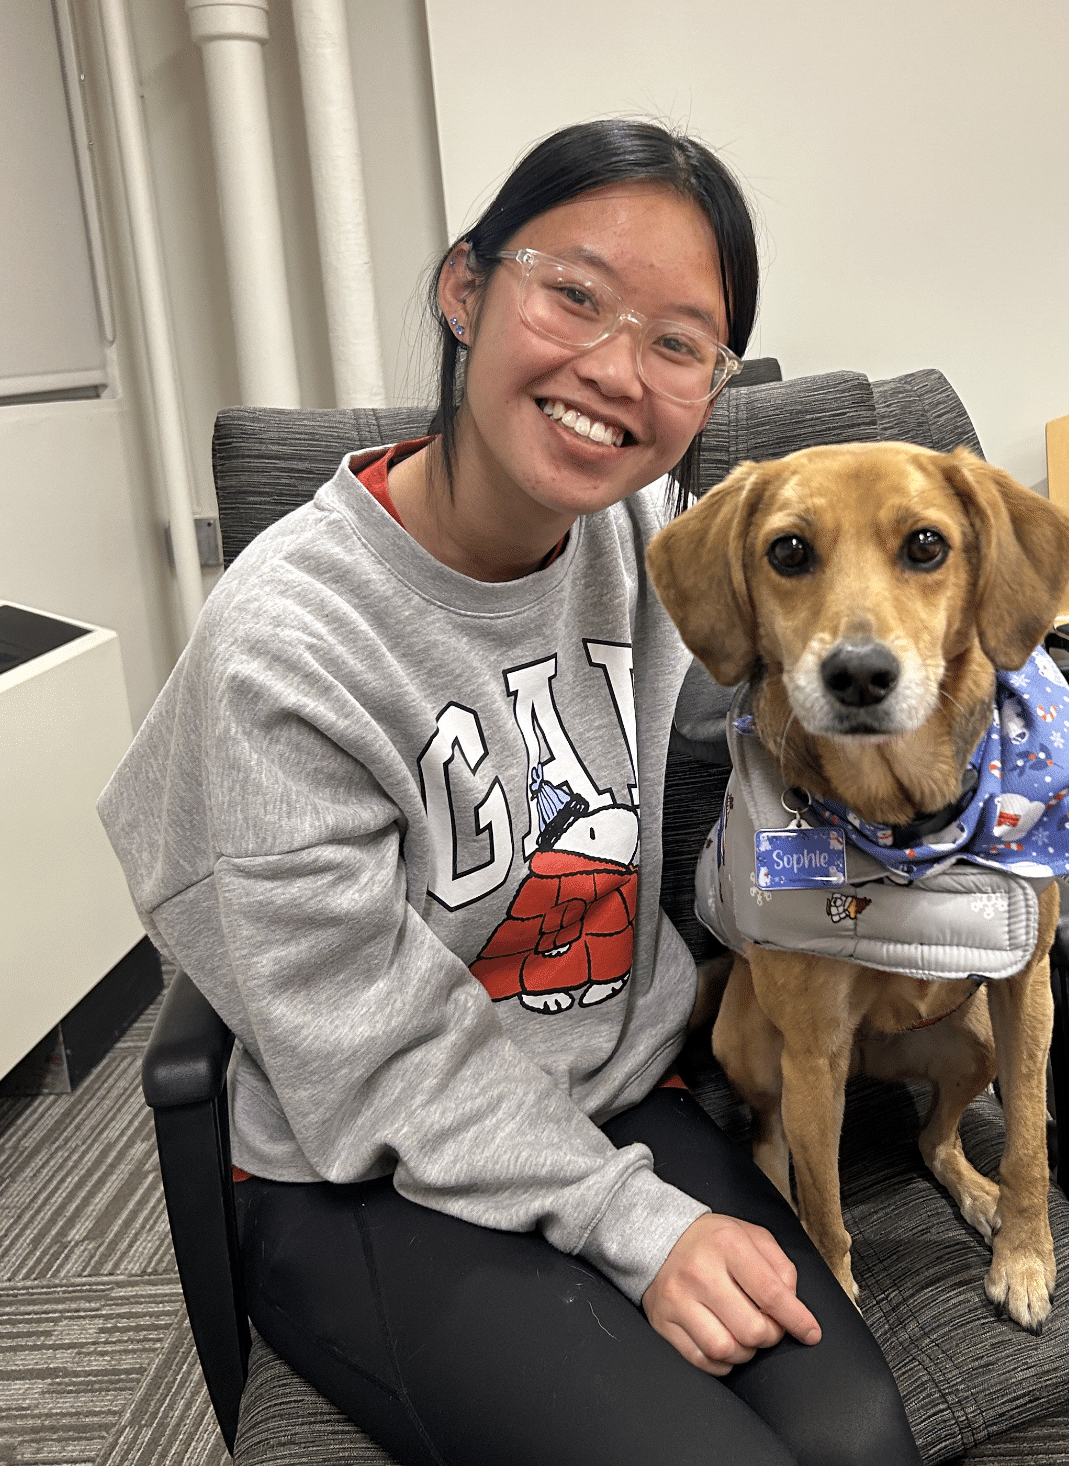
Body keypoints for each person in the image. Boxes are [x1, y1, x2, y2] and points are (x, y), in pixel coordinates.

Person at [99, 120, 922, 1466]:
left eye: (677, 341)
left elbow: (785, 700)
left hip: (612, 1089)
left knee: (857, 1439)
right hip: (368, 1166)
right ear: (466, 289)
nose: (613, 370)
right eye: (575, 295)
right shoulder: (290, 644)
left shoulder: (635, 541)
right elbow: (362, 1040)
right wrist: (631, 1223)